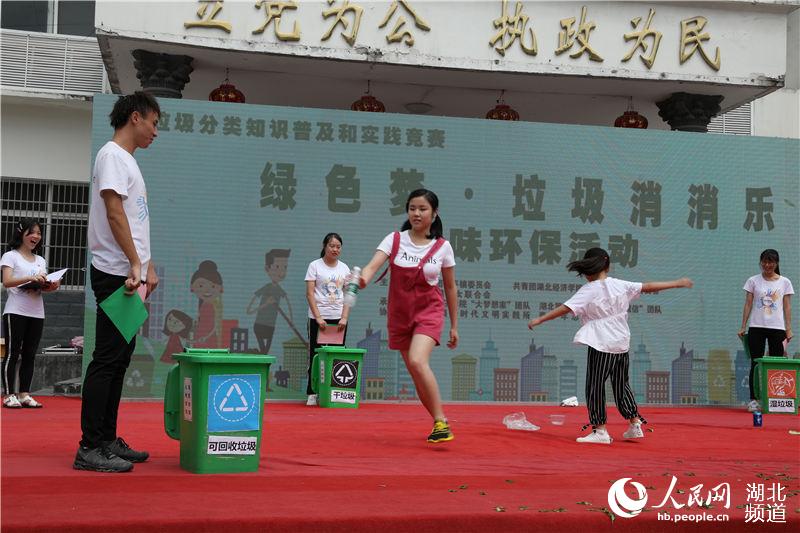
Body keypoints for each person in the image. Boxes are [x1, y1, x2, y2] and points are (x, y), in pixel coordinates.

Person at [528, 248, 693, 444]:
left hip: (601, 342)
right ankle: (634, 423)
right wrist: (677, 283)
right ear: (607, 265)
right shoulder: (620, 285)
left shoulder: (589, 290)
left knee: (595, 385)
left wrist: (540, 319)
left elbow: (566, 308)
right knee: (621, 384)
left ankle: (600, 430)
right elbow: (648, 286)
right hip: (621, 341)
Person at [75, 92, 160, 473]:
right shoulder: (112, 155)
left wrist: (148, 265)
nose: (155, 132)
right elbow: (113, 213)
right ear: (135, 117)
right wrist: (134, 264)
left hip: (131, 272)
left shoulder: (128, 161)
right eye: (154, 124)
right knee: (107, 359)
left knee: (120, 359)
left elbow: (136, 222)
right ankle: (89, 446)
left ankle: (107, 439)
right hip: (116, 272)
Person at [359, 189, 459, 443]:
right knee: (416, 372)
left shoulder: (442, 247)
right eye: (412, 208)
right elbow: (372, 266)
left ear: (434, 214)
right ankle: (439, 423)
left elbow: (450, 287)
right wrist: (361, 280)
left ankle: (441, 421)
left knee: (417, 361)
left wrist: (454, 325)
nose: (416, 213)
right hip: (400, 314)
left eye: (423, 209)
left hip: (429, 312)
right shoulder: (394, 240)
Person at [1, 218, 60, 409]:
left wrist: (51, 285)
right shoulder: (10, 256)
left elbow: (43, 286)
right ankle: (9, 394)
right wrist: (29, 277)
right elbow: (7, 281)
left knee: (30, 354)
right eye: (32, 232)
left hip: (36, 312)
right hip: (15, 311)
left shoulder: (41, 260)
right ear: (22, 233)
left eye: (39, 233)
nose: (36, 236)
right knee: (13, 352)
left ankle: (24, 393)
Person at [738, 248, 794, 412]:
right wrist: (743, 325)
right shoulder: (753, 281)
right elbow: (748, 304)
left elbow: (787, 307)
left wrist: (788, 329)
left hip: (777, 328)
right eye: (765, 261)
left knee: (776, 363)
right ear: (761, 262)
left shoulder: (785, 282)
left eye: (771, 262)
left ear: (776, 263)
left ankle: (774, 398)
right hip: (757, 327)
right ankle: (754, 400)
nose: (767, 265)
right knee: (755, 363)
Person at [304, 233, 351, 406]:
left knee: (337, 356)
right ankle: (312, 392)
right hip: (318, 318)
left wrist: (344, 317)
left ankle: (333, 393)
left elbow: (348, 294)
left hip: (338, 319)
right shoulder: (314, 266)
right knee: (316, 355)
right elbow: (309, 293)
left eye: (338, 246)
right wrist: (318, 317)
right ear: (325, 246)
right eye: (332, 245)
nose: (335, 249)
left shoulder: (344, 268)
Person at [247, 249, 293, 354]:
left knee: (265, 353)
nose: (281, 272)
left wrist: (291, 321)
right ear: (267, 268)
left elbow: (288, 304)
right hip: (259, 325)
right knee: (264, 353)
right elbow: (249, 310)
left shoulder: (279, 290)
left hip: (271, 326)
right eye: (277, 267)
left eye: (284, 267)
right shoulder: (265, 288)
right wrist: (265, 304)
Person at [190, 260, 223, 348]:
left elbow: (216, 325)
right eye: (201, 286)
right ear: (192, 286)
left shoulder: (214, 306)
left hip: (208, 338)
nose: (207, 290)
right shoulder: (203, 305)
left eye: (213, 286)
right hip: (200, 335)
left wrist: (206, 337)